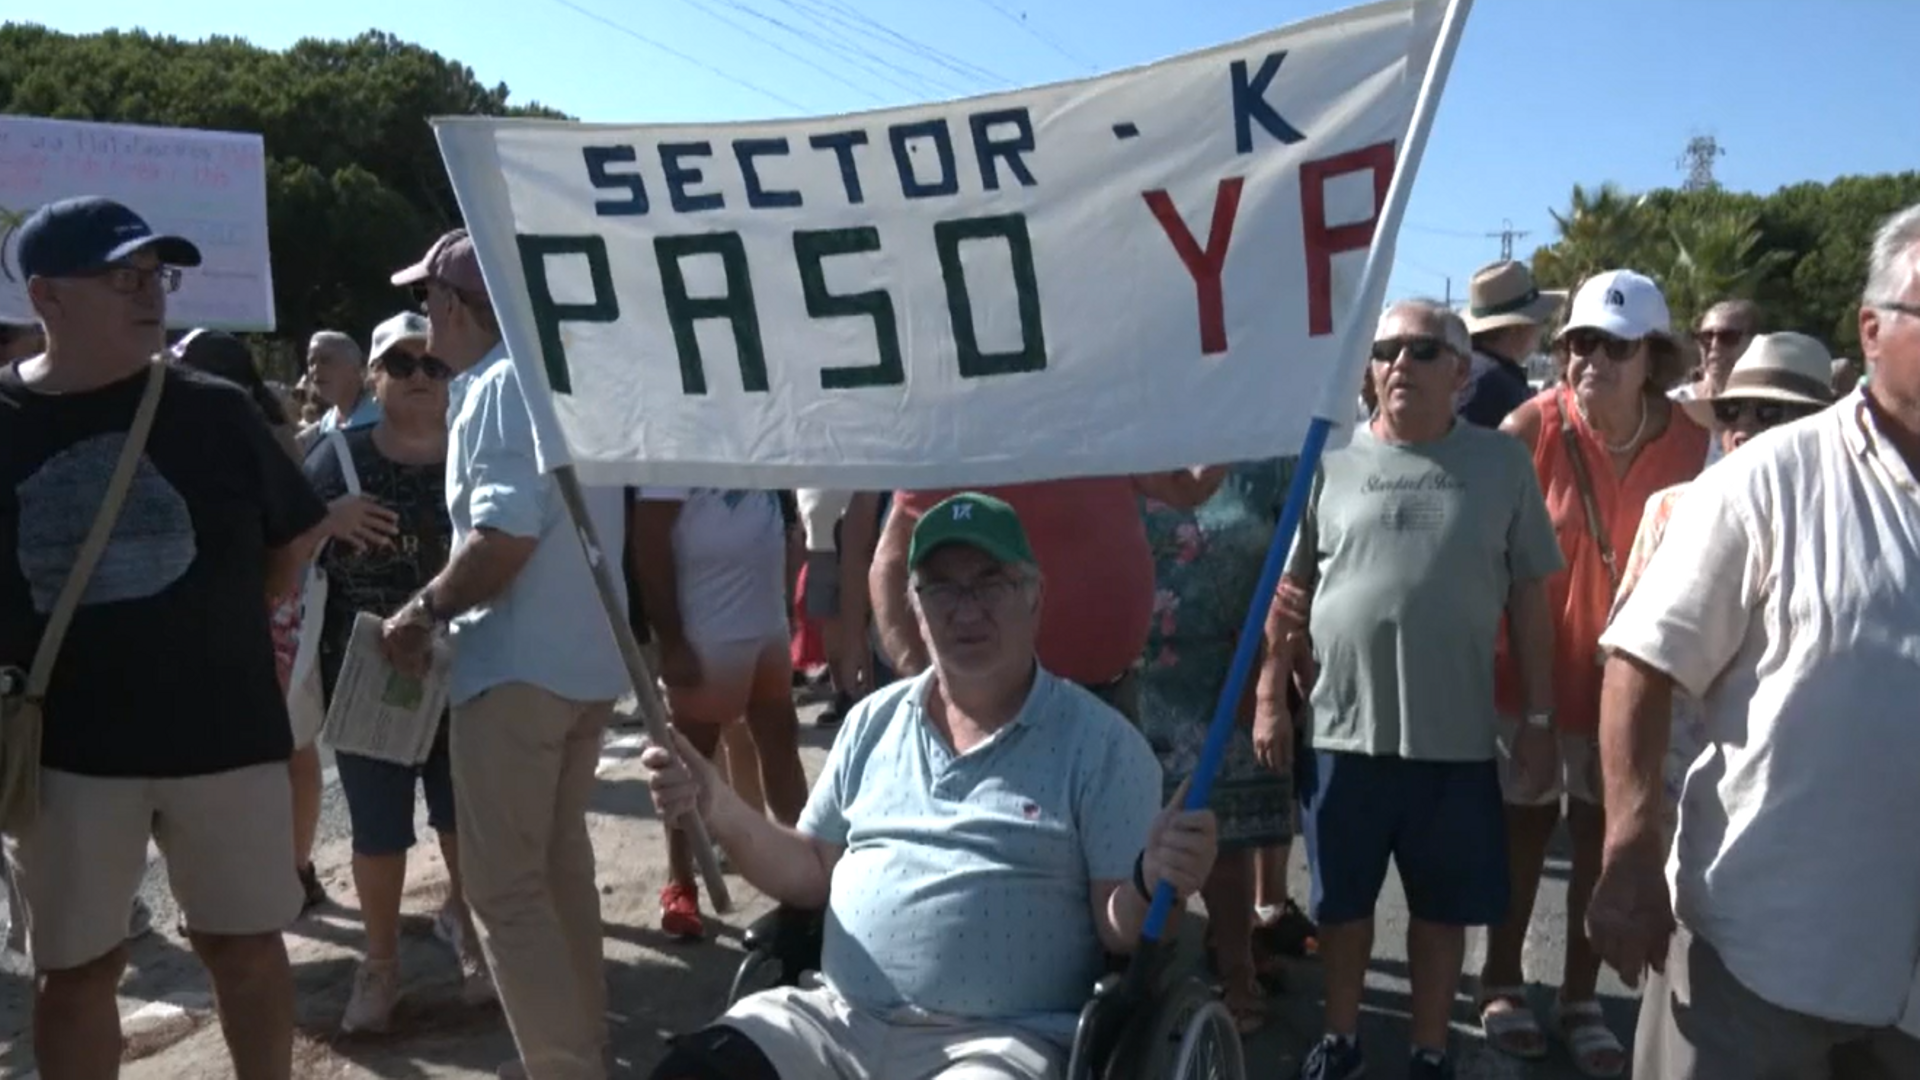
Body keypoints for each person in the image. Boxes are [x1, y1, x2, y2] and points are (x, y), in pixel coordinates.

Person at [642, 492, 1217, 1080]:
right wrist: (715, 802)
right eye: (941, 588)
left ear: (1035, 596)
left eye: (989, 583)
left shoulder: (1102, 746)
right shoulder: (872, 722)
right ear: (915, 608)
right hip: (835, 1020)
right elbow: (811, 868)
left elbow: (1121, 930)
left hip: (995, 1042)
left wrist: (1156, 879)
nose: (965, 610)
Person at [0, 196, 329, 1080]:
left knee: (245, 947)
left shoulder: (216, 412)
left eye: (156, 276)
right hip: (63, 755)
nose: (150, 294)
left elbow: (293, 537)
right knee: (76, 972)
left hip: (224, 737)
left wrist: (218, 631)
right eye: (122, 278)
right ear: (45, 295)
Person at [1591, 204, 1920, 1080]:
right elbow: (1640, 661)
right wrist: (1630, 850)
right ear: (1872, 329)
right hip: (1762, 959)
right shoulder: (1764, 483)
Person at [1275, 300, 1563, 1080]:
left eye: (1423, 350)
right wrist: (1272, 695)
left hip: (1455, 740)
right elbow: (1290, 592)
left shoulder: (1502, 465)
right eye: (1386, 350)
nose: (1400, 362)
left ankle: (1431, 1050)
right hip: (1342, 733)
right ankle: (1341, 1040)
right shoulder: (1329, 458)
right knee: (1341, 909)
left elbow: (1530, 598)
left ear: (1461, 373)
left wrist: (1539, 719)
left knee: (1441, 912)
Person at [379, 229, 628, 1080]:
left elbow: (504, 536)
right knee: (557, 869)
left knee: (507, 889)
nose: (423, 318)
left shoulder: (495, 387)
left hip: (519, 670)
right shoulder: (560, 379)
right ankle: (582, 1051)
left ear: (454, 306)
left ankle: (566, 1065)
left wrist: (422, 610)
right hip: (581, 663)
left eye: (426, 299)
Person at [1479, 269, 1706, 1078]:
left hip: (1634, 689)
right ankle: (1500, 980)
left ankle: (1580, 998)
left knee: (1606, 840)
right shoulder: (1530, 427)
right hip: (1530, 680)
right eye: (1580, 342)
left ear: (1654, 358)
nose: (1592, 361)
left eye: (1615, 346)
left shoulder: (1696, 446)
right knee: (1522, 833)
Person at [305, 311, 493, 1031]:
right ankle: (379, 966)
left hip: (465, 667)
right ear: (374, 378)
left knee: (463, 820)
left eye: (433, 365)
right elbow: (278, 552)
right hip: (368, 678)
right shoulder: (333, 461)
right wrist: (327, 520)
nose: (421, 377)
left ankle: (471, 936)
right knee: (378, 833)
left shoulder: (477, 451)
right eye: (402, 364)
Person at [1606, 332, 1836, 849]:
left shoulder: (1847, 526)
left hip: (1795, 790)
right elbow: (1625, 658)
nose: (1744, 429)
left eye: (1770, 413)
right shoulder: (1671, 509)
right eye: (1731, 412)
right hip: (1679, 780)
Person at [1138, 459, 1309, 1034]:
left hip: (1233, 669)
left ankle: (1238, 969)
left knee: (1225, 839)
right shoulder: (1125, 441)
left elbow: (1294, 574)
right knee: (1139, 834)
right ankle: (1146, 978)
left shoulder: (1269, 459)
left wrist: (1271, 678)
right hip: (1139, 673)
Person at [172, 329, 331, 917]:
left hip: (264, 612)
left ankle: (275, 876)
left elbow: (295, 531)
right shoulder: (265, 429)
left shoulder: (243, 432)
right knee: (290, 746)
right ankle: (292, 870)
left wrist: (266, 592)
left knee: (262, 754)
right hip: (281, 611)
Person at [872, 470, 1225, 723]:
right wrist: (919, 680)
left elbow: (1186, 488)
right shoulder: (967, 428)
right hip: (1003, 713)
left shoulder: (1102, 412)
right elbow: (890, 561)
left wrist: (1240, 413)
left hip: (1108, 696)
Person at [628, 486, 809, 941]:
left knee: (781, 749)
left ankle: (808, 866)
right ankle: (680, 883)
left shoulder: (756, 447)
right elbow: (649, 543)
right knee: (688, 764)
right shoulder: (675, 454)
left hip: (765, 625)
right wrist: (672, 641)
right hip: (705, 633)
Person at [1458, 259, 1564, 428]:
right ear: (1517, 328)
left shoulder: (1469, 370)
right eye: (1538, 319)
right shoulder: (1493, 384)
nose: (1542, 327)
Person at [1671, 299, 1762, 469]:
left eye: (1728, 337)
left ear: (1754, 342)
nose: (1714, 346)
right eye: (1706, 337)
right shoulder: (1672, 405)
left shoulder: (1768, 412)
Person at [307, 329, 381, 433]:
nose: (315, 369)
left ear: (355, 368)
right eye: (311, 362)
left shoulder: (382, 416)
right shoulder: (327, 422)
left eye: (325, 360)